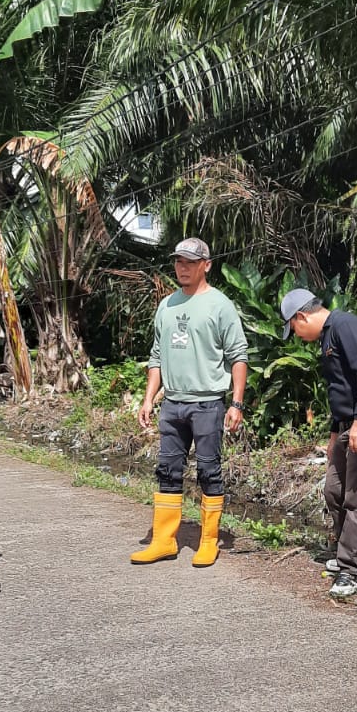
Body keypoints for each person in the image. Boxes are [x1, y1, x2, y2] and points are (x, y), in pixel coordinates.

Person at [132, 237, 248, 568]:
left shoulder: (220, 305)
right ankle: (163, 540)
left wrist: (236, 404)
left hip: (208, 404)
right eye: (178, 262)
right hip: (172, 404)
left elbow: (238, 356)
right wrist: (149, 398)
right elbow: (157, 356)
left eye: (189, 262)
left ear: (206, 265)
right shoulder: (166, 305)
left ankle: (208, 540)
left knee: (209, 470)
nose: (182, 268)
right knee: (167, 470)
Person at [279, 287, 357, 599]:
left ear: (302, 316)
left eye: (294, 328)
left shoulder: (346, 326)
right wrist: (335, 435)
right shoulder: (329, 336)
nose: (298, 336)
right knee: (334, 490)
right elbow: (341, 388)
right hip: (347, 426)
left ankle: (352, 570)